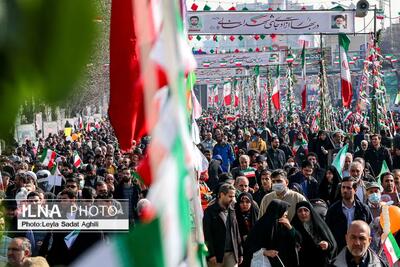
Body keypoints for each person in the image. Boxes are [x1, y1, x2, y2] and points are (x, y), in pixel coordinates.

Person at [244, 199, 300, 267]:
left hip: (283, 261)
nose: (286, 213)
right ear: (277, 211)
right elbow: (249, 246)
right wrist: (265, 252)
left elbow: (297, 240)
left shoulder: (284, 225)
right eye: (284, 210)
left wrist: (290, 227)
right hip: (264, 262)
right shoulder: (260, 226)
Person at [325, 177, 373, 251]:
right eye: (343, 187)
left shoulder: (364, 209)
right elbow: (327, 231)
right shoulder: (333, 210)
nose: (345, 190)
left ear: (355, 190)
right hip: (339, 250)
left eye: (348, 188)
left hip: (359, 248)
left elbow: (370, 228)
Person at [203, 183, 243, 267]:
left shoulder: (232, 210)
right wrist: (211, 254)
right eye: (230, 196)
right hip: (217, 255)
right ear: (221, 195)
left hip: (232, 254)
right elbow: (207, 234)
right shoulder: (210, 211)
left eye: (233, 196)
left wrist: (240, 253)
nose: (233, 199)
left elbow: (236, 233)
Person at [291, 201, 337, 267]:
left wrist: (327, 245)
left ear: (311, 212)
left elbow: (332, 243)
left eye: (306, 210)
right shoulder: (294, 227)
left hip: (321, 262)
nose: (303, 213)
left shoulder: (319, 225)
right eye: (300, 211)